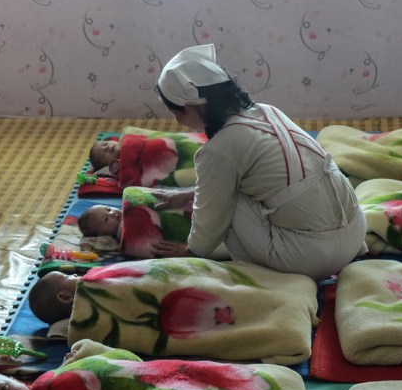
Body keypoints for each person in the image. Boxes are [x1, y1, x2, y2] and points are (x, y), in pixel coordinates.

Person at [148, 44, 367, 281]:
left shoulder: (219, 149)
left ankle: (258, 273)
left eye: (176, 114)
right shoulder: (269, 112)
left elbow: (211, 214)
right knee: (242, 183)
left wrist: (191, 251)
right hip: (355, 235)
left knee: (228, 199)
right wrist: (191, 193)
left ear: (191, 107)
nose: (177, 122)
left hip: (310, 259)